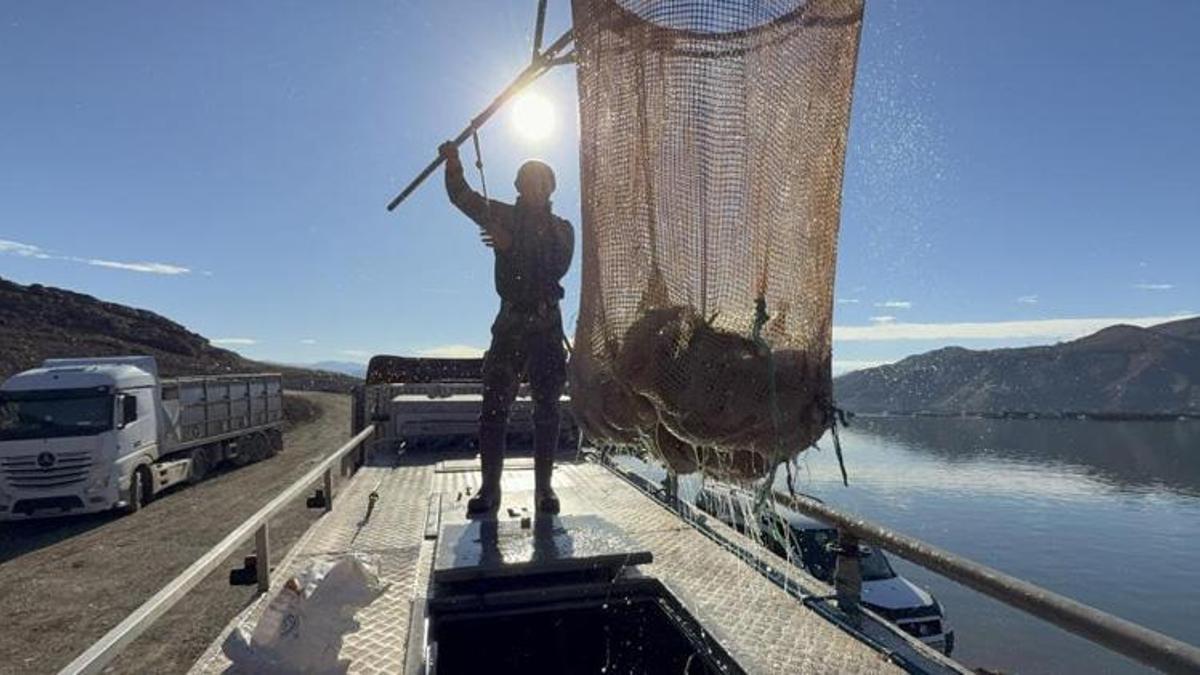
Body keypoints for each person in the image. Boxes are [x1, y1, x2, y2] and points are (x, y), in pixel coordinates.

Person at [439, 141, 574, 515]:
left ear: (552, 188)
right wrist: (454, 163)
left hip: (547, 326)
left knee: (547, 407)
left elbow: (554, 268)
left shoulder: (563, 229)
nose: (538, 187)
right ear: (519, 186)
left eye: (544, 182)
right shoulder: (501, 216)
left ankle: (544, 490)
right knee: (494, 407)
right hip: (510, 324)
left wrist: (510, 245)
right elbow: (462, 197)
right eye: (530, 181)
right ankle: (490, 490)